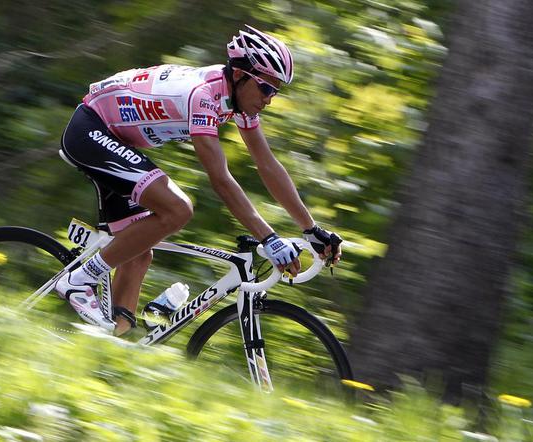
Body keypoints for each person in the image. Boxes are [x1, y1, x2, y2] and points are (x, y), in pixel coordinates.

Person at [55, 25, 342, 335]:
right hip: (92, 129)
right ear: (239, 75)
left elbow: (267, 165)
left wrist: (310, 229)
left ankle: (110, 343)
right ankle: (81, 279)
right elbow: (220, 179)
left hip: (116, 139)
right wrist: (268, 238)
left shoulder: (236, 102)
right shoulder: (202, 97)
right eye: (266, 88)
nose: (270, 99)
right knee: (178, 209)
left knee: (138, 254)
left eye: (276, 91)